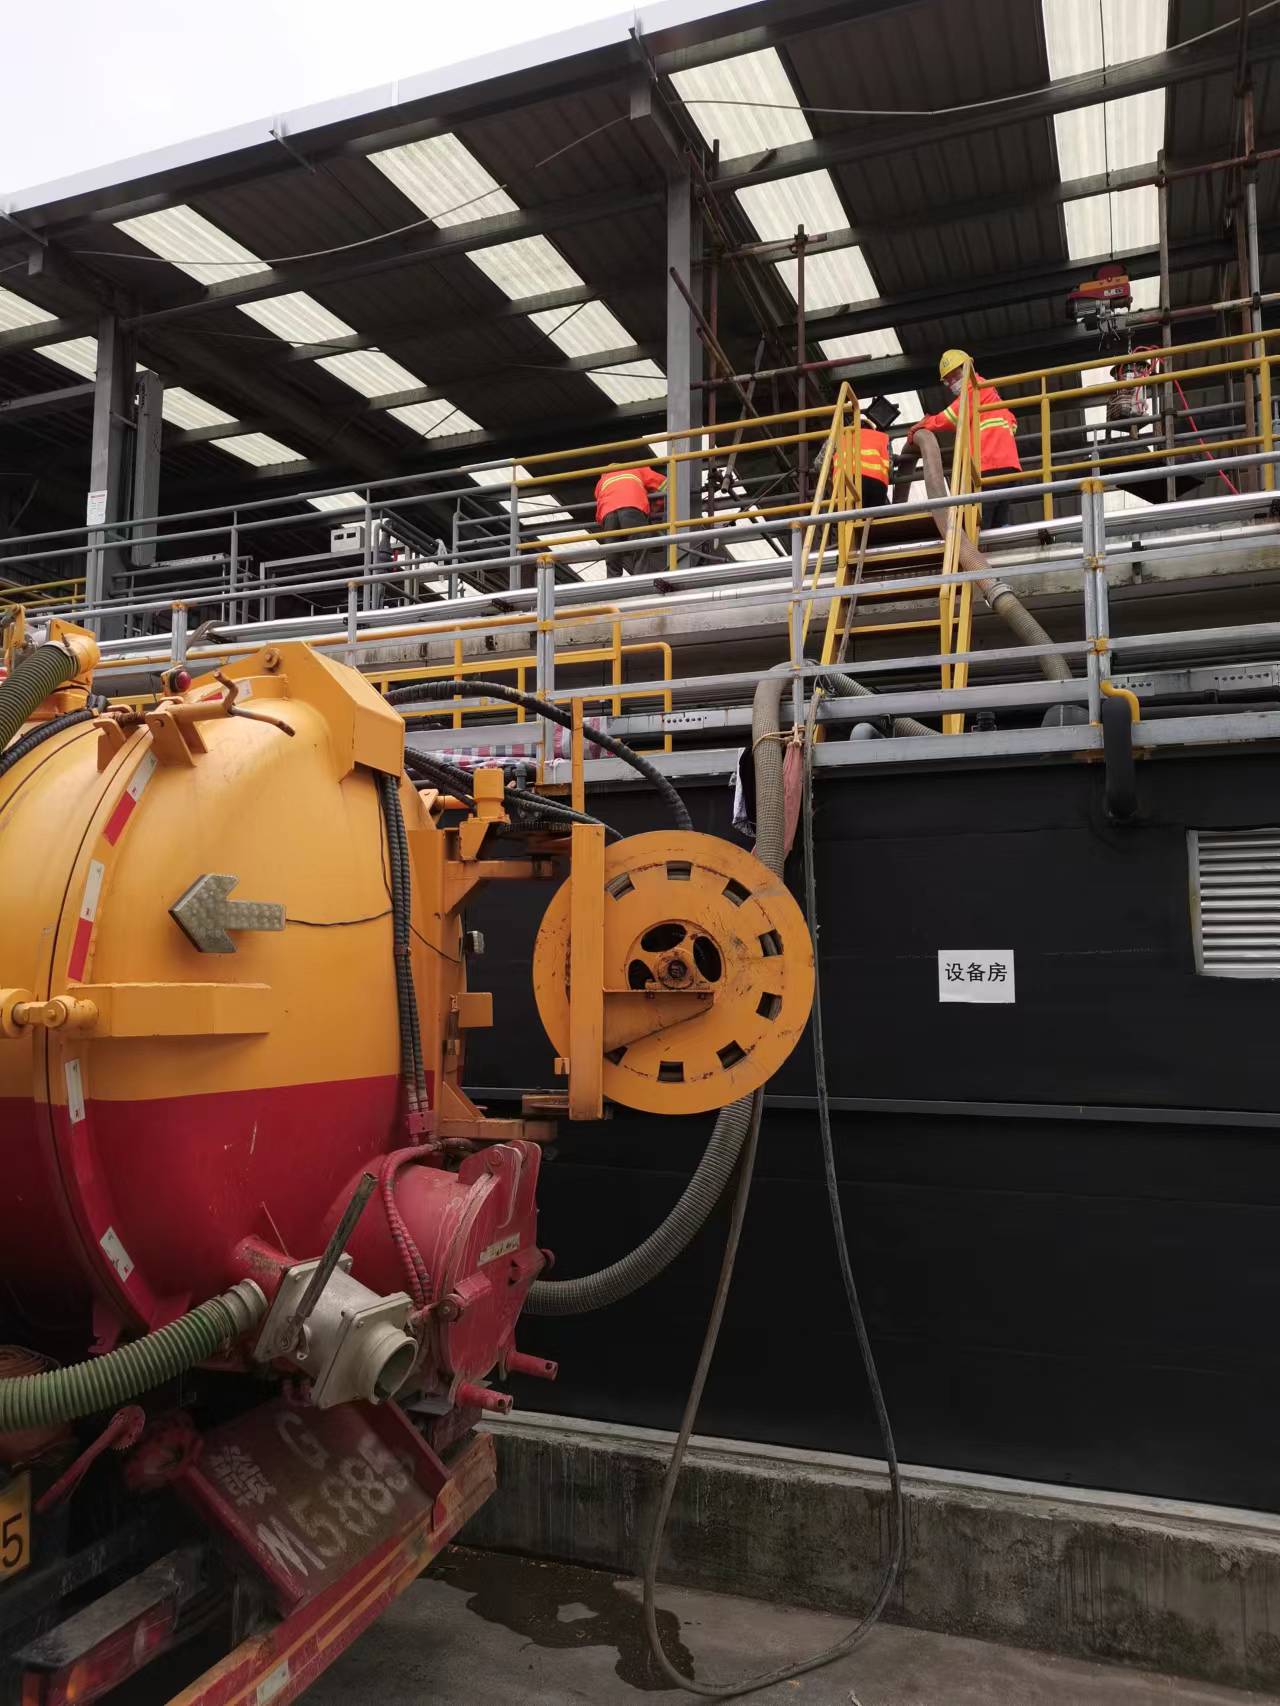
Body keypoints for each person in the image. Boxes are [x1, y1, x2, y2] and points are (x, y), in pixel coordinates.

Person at [907, 349, 1021, 530]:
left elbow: (951, 416)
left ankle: (977, 555)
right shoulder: (992, 396)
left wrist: (923, 425)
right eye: (948, 380)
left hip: (989, 466)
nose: (952, 382)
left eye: (955, 376)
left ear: (968, 368)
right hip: (1008, 466)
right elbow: (1012, 422)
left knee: (979, 525)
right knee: (999, 523)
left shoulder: (976, 388)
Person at [594, 461, 665, 577]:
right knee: (641, 548)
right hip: (632, 506)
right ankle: (640, 581)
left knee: (613, 554)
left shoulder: (602, 480)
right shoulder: (637, 468)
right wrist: (656, 507)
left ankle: (613, 585)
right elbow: (664, 485)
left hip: (608, 514)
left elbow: (599, 500)